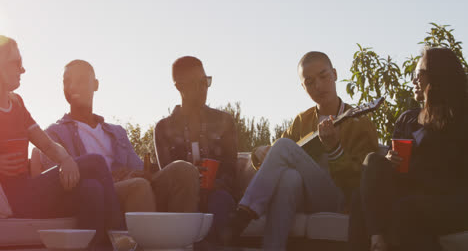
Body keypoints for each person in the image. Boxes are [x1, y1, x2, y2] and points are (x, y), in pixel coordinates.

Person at [221, 51, 379, 250]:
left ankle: (242, 216)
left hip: (339, 199)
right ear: (303, 87)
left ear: (335, 74)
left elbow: (363, 181)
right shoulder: (301, 121)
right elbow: (276, 156)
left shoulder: (360, 123)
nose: (319, 86)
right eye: (310, 82)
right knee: (289, 177)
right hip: (300, 197)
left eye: (324, 76)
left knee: (285, 147)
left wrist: (334, 149)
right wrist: (259, 153)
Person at [30, 59, 200, 214]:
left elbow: (139, 169)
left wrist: (142, 173)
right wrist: (118, 177)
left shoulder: (117, 132)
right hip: (101, 194)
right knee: (138, 187)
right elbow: (64, 181)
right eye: (67, 82)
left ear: (95, 85)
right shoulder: (54, 133)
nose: (72, 87)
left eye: (80, 80)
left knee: (184, 170)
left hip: (133, 185)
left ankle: (182, 243)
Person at [0, 36, 123, 246]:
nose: (23, 70)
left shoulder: (17, 104)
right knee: (95, 162)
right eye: (17, 63)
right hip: (10, 200)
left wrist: (65, 159)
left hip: (29, 191)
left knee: (91, 188)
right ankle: (120, 236)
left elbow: (47, 144)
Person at [347, 47, 468, 251]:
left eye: (418, 74)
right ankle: (377, 238)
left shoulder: (459, 117)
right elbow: (395, 170)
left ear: (436, 76)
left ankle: (377, 239)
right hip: (411, 190)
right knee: (367, 177)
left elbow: (451, 172)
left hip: (450, 197)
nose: (413, 80)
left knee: (404, 210)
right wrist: (391, 160)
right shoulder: (407, 119)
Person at [154, 56, 238, 244]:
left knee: (220, 201)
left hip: (218, 191)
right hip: (181, 195)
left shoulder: (224, 121)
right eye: (195, 84)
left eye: (205, 81)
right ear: (179, 87)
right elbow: (169, 173)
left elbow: (231, 168)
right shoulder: (164, 128)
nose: (203, 89)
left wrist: (216, 183)